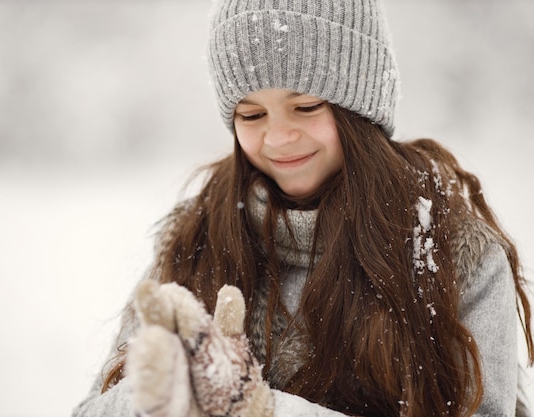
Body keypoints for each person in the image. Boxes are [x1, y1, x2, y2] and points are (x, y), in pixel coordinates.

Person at [73, 0, 534, 416]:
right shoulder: (197, 238)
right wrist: (155, 395)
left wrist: (263, 410)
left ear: (361, 107)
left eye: (306, 106)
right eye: (252, 115)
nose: (277, 138)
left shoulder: (452, 252)